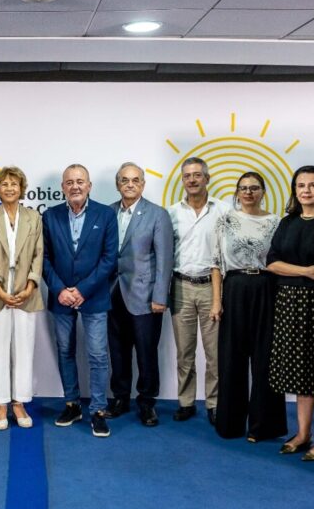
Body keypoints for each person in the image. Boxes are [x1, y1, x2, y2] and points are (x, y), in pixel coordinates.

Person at [267, 165, 314, 460]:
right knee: (299, 373)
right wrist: (307, 271)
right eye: (300, 185)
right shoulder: (288, 222)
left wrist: (311, 275)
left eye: (312, 185)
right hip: (288, 303)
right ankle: (302, 433)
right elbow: (272, 262)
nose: (306, 190)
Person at [42, 164, 118, 438]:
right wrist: (61, 289)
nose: (75, 186)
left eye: (80, 181)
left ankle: (98, 410)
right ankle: (72, 404)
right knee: (65, 351)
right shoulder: (50, 216)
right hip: (60, 295)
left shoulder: (106, 214)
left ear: (89, 185)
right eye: (69, 182)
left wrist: (82, 290)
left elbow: (109, 259)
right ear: (62, 187)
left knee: (98, 355)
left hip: (94, 296)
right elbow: (44, 259)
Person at [213, 172, 286, 442]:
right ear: (237, 191)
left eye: (254, 188)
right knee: (232, 358)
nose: (248, 192)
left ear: (263, 191)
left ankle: (263, 427)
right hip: (234, 288)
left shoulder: (276, 222)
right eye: (243, 188)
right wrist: (217, 301)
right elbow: (216, 263)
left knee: (265, 359)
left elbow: (278, 260)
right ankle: (230, 425)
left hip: (266, 288)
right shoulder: (225, 220)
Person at [105, 162, 173, 427]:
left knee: (146, 352)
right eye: (124, 180)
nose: (130, 184)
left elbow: (165, 259)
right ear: (117, 184)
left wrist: (160, 296)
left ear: (143, 184)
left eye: (135, 180)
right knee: (117, 351)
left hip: (145, 296)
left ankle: (147, 403)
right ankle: (120, 398)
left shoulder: (157, 214)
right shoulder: (107, 213)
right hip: (112, 294)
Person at [0, 165, 44, 430]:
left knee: (24, 350)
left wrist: (30, 285)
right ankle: (0, 403)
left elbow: (39, 253)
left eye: (14, 184)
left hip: (26, 293)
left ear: (21, 188)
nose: (9, 188)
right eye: (4, 184)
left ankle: (19, 402)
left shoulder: (34, 218)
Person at [168, 157, 228, 425]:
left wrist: (219, 297)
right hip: (180, 286)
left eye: (197, 175)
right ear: (182, 180)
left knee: (215, 353)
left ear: (207, 178)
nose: (192, 180)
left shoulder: (224, 210)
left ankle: (214, 403)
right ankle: (186, 401)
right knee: (184, 353)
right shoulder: (171, 213)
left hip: (211, 288)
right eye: (187, 176)